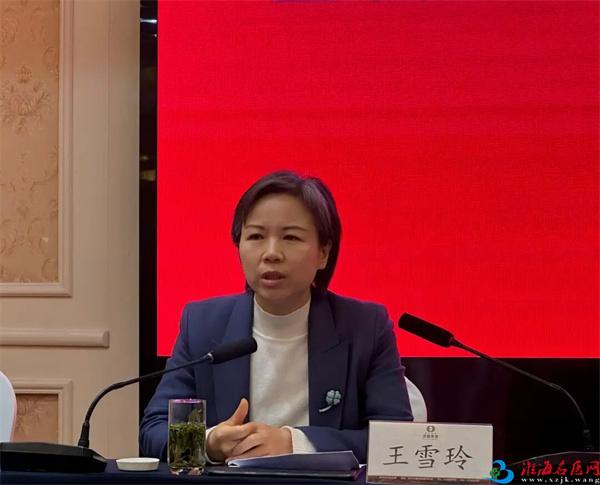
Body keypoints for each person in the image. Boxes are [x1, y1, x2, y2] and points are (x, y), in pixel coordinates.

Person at [139, 170, 413, 463]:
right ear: (239, 245)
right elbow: (154, 429)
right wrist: (208, 442)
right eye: (256, 236)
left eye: (291, 237)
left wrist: (293, 442)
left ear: (323, 252)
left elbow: (396, 439)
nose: (271, 253)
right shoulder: (203, 324)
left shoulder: (365, 326)